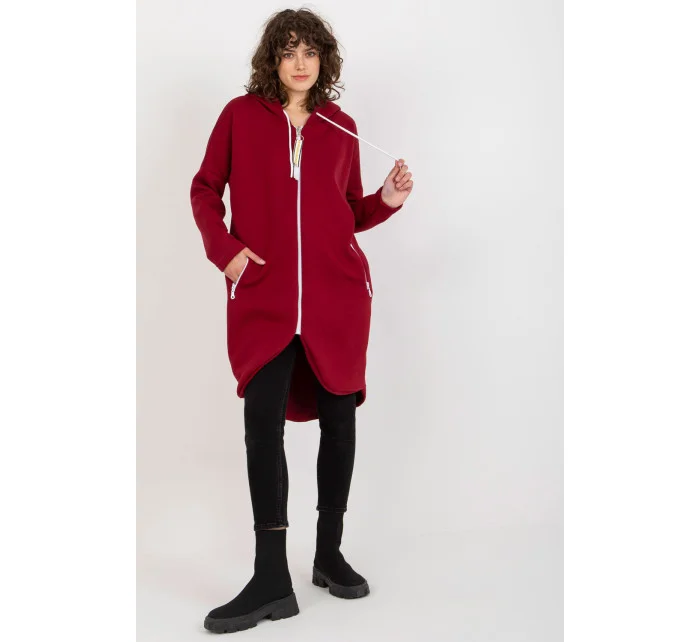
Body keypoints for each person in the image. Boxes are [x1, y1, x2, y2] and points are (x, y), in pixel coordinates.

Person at [190, 8, 413, 634]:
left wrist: (386, 202)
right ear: (273, 58)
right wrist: (226, 251)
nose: (300, 62)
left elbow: (347, 212)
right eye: (288, 50)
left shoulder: (342, 127)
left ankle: (328, 555)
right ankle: (270, 576)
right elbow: (204, 189)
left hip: (336, 299)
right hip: (264, 297)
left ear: (323, 60)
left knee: (340, 421)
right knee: (262, 422)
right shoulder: (239, 117)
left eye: (310, 51)